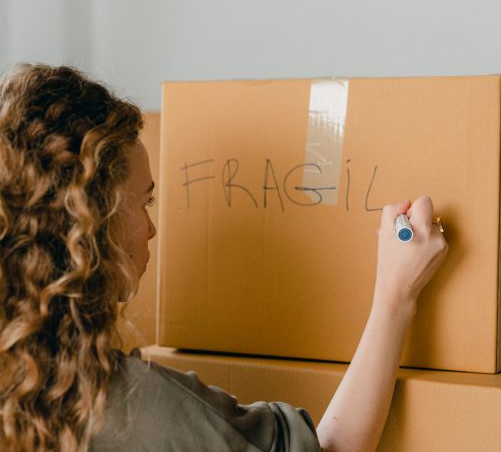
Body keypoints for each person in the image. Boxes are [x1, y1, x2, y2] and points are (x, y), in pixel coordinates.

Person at [0, 63, 448, 452]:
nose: (153, 228)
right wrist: (396, 294)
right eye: (145, 203)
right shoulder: (123, 406)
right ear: (93, 221)